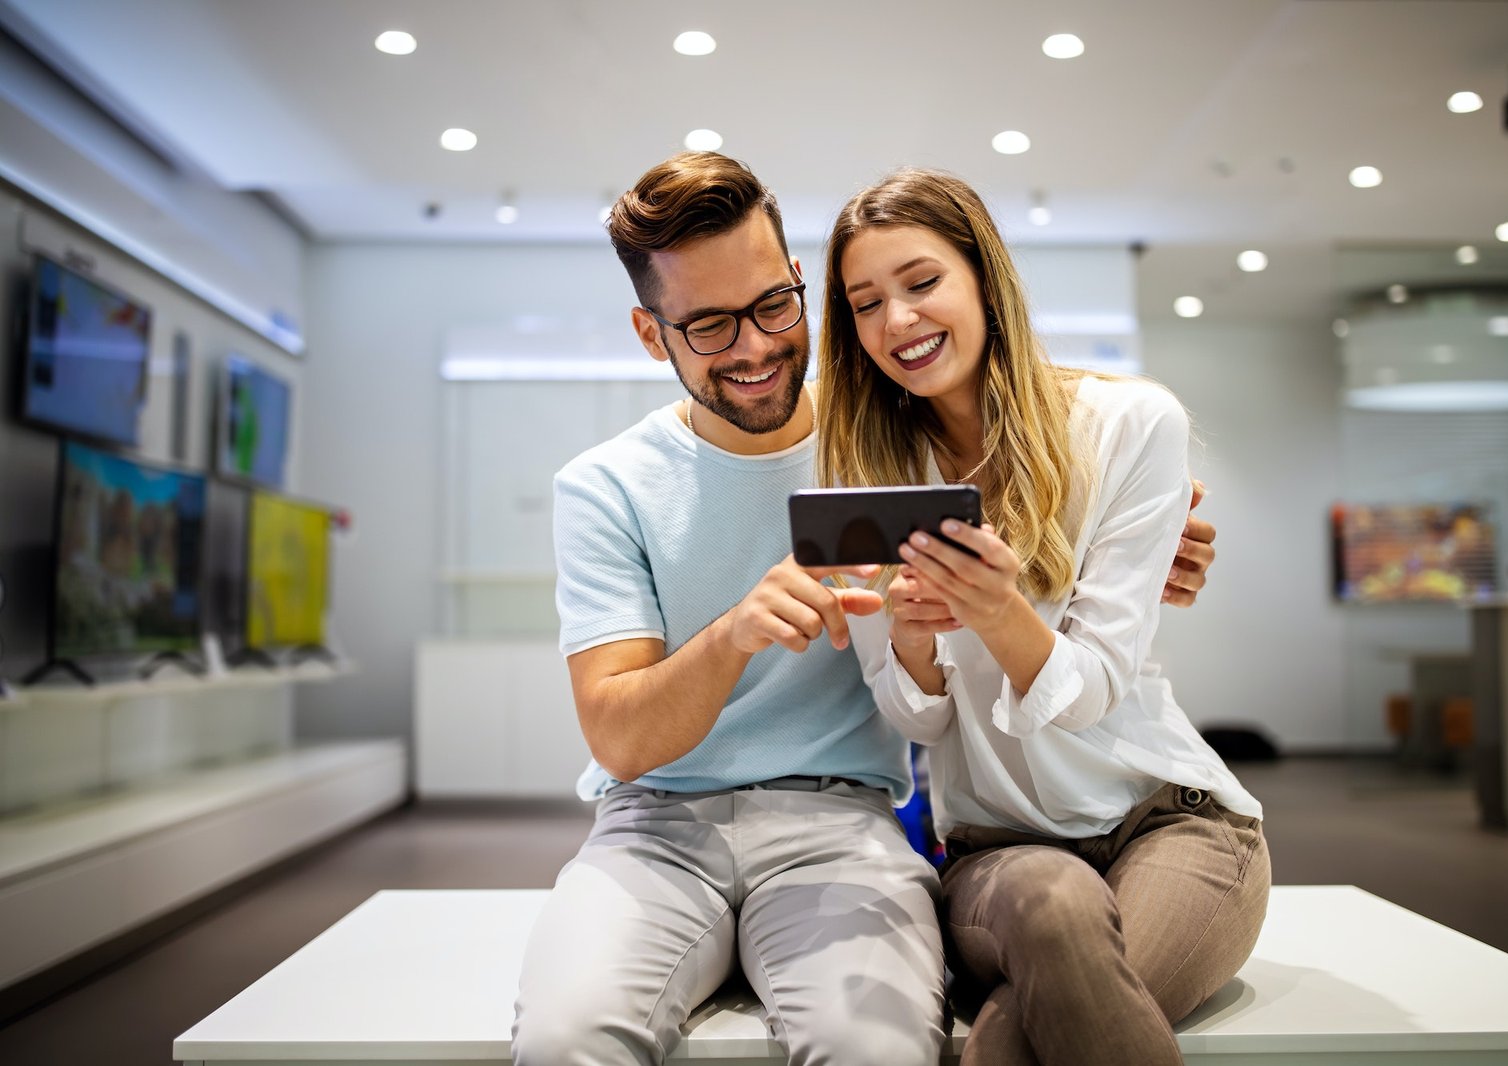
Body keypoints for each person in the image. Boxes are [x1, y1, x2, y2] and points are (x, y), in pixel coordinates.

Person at [510, 152, 1218, 1066]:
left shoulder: (881, 441)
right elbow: (619, 740)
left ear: (802, 284)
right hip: (654, 826)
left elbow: (1052, 463)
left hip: (841, 823)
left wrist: (1170, 538)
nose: (757, 347)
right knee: (568, 1041)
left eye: (773, 304)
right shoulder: (605, 487)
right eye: (711, 327)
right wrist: (733, 633)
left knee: (880, 1048)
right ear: (653, 336)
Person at [816, 168, 1268, 1066]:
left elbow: (1095, 687)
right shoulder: (868, 469)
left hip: (1172, 821)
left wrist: (994, 612)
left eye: (922, 282)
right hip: (1001, 851)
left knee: (1025, 1030)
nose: (897, 320)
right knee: (1056, 908)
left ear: (984, 277)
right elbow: (915, 719)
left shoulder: (1127, 424)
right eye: (866, 304)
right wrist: (909, 637)